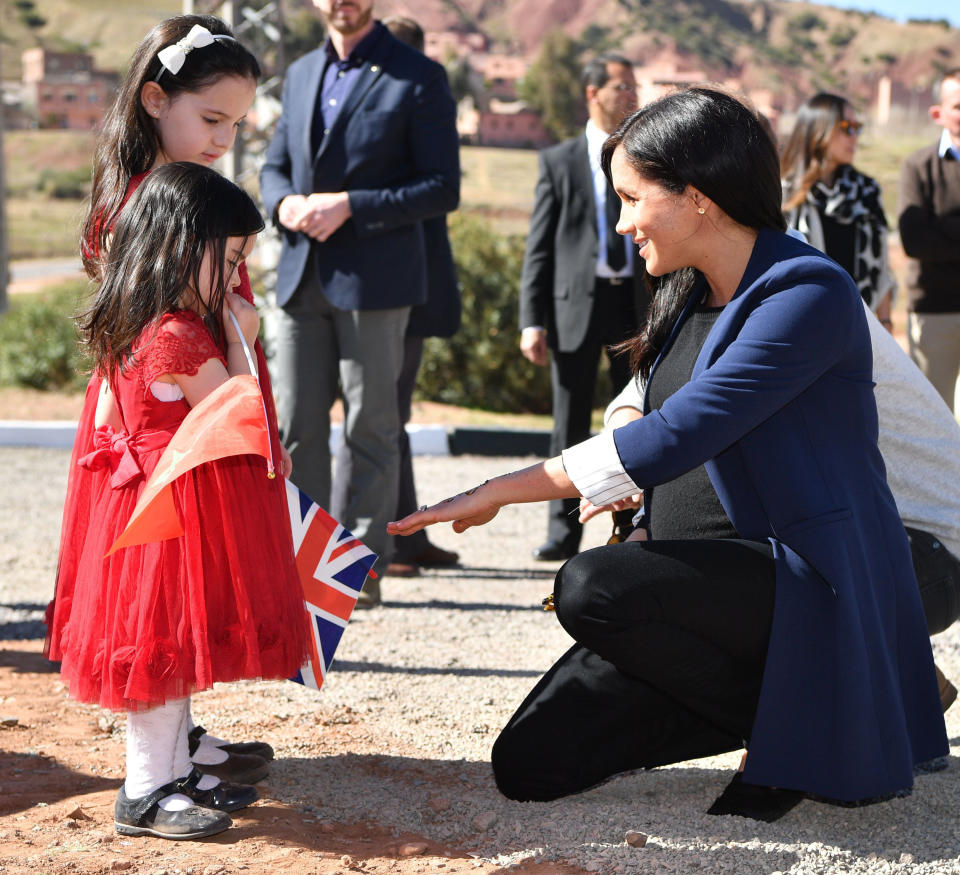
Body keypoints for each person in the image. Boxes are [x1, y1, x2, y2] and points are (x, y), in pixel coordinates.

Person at [390, 87, 947, 819]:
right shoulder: (686, 290)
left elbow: (679, 431)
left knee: (593, 585)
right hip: (706, 590)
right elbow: (648, 404)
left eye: (631, 198)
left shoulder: (807, 291)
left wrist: (501, 489)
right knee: (530, 762)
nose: (620, 223)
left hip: (809, 574)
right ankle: (800, 703)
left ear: (697, 197)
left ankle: (833, 702)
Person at [45, 15, 278, 784]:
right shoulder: (147, 203)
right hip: (164, 414)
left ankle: (179, 733)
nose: (222, 139)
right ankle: (158, 754)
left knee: (187, 580)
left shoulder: (185, 189)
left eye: (235, 125)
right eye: (210, 120)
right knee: (160, 580)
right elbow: (154, 330)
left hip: (184, 400)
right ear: (154, 98)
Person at [54, 163, 309, 840]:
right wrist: (241, 336)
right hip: (168, 518)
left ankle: (170, 774)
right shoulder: (182, 335)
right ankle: (144, 791)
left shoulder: (135, 320)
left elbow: (112, 415)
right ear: (179, 245)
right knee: (161, 657)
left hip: (143, 509)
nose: (233, 277)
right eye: (226, 260)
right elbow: (237, 412)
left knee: (166, 652)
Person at [594, 301, 960, 710]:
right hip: (866, 533)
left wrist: (634, 489)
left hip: (927, 550)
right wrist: (629, 446)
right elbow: (643, 394)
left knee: (722, 594)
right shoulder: (705, 286)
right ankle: (905, 676)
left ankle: (822, 716)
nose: (626, 231)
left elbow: (697, 427)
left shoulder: (797, 296)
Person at [260, 0, 460, 605]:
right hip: (298, 278)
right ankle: (302, 573)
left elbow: (441, 187)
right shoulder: (297, 74)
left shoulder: (417, 76)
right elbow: (274, 166)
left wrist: (350, 204)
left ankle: (358, 576)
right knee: (295, 429)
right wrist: (282, 204)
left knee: (372, 428)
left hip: (377, 283)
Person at [519, 53, 650, 562]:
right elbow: (540, 247)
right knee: (568, 425)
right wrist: (532, 321)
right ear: (592, 93)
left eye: (633, 85)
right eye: (622, 85)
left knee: (635, 420)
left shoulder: (643, 158)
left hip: (633, 306)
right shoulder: (559, 161)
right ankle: (563, 533)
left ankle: (629, 528)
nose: (631, 95)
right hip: (573, 309)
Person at [352, 14, 461, 578]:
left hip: (411, 288)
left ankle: (404, 533)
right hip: (375, 284)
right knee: (377, 416)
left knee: (392, 412)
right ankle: (377, 543)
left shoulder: (421, 115)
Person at [781, 92, 896, 328]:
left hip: (862, 321)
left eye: (857, 127)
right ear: (818, 129)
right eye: (846, 127)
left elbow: (881, 264)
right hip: (805, 321)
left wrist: (885, 319)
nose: (855, 136)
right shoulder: (783, 192)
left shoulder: (866, 190)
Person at [899, 68, 960, 414]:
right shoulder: (917, 166)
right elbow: (916, 242)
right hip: (934, 313)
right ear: (937, 113)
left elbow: (932, 238)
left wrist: (946, 227)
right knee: (935, 418)